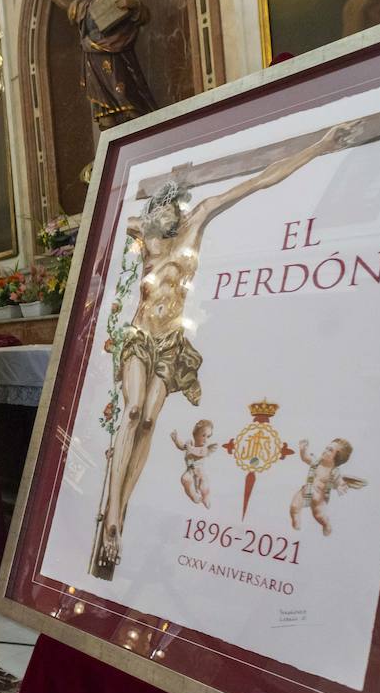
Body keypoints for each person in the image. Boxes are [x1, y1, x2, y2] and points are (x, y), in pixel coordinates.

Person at [89, 122, 354, 578]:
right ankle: (111, 517)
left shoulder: (198, 219)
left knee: (150, 421)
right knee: (132, 413)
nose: (172, 216)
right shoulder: (140, 230)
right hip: (139, 335)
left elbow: (260, 179)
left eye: (176, 208)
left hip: (172, 340)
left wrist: (320, 144)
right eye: (164, 209)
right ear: (154, 210)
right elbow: (100, 224)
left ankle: (122, 512)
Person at [42, 0, 158, 133]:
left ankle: (143, 139)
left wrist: (134, 4)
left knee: (129, 103)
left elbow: (144, 17)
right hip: (93, 62)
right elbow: (71, 6)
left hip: (117, 59)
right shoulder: (88, 5)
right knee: (105, 115)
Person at [290, 438, 366, 536]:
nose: (325, 450)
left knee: (319, 516)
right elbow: (305, 458)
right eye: (326, 448)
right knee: (294, 506)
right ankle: (296, 521)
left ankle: (326, 524)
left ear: (337, 457)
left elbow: (339, 482)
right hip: (306, 491)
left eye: (330, 450)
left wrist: (340, 486)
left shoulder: (333, 472)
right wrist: (303, 450)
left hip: (319, 498)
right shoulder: (316, 462)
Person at [170, 420, 218, 508]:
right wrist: (176, 440)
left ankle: (205, 497)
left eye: (208, 436)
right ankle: (193, 495)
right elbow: (181, 446)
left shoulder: (204, 449)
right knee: (185, 478)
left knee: (203, 485)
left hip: (200, 472)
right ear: (195, 434)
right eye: (203, 435)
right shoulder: (190, 444)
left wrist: (190, 449)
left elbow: (199, 452)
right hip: (190, 470)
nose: (206, 439)